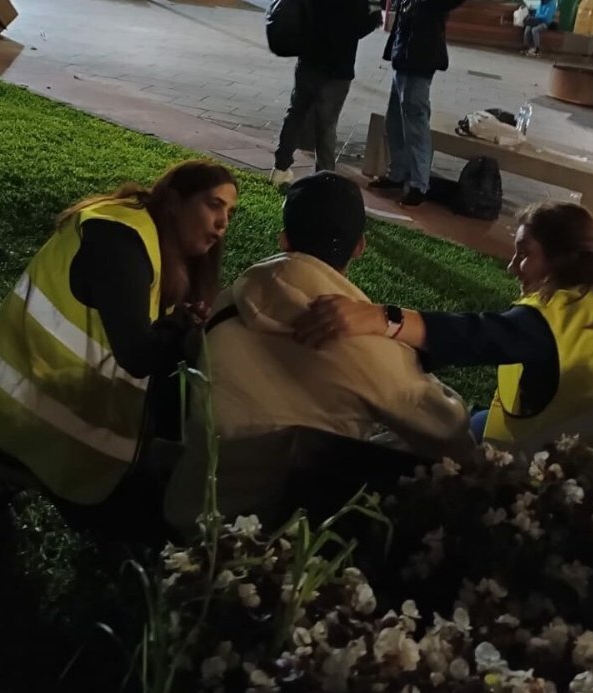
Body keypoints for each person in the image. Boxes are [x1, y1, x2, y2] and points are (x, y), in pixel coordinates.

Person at [0, 160, 238, 542]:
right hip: (27, 398)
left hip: (74, 399)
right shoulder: (118, 239)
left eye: (229, 212)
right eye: (213, 205)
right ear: (172, 202)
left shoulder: (158, 245)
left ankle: (27, 470)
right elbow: (137, 354)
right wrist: (182, 327)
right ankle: (5, 468)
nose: (223, 224)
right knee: (134, 533)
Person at [168, 172, 473, 523]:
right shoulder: (366, 345)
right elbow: (448, 430)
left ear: (284, 240)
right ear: (360, 246)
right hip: (278, 543)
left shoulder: (231, 299)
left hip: (191, 512)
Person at [293, 202, 593, 455]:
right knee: (480, 419)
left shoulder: (558, 320)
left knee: (424, 445)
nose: (512, 267)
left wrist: (381, 317)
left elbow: (477, 336)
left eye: (525, 255)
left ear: (563, 258)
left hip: (577, 465)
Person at [270, 0, 383, 187]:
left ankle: (280, 168)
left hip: (310, 60)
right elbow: (357, 26)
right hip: (338, 66)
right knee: (327, 125)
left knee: (295, 114)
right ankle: (324, 178)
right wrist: (373, 20)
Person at [367, 0, 466, 207]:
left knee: (416, 126)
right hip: (402, 59)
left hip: (419, 63)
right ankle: (398, 174)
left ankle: (419, 185)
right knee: (394, 123)